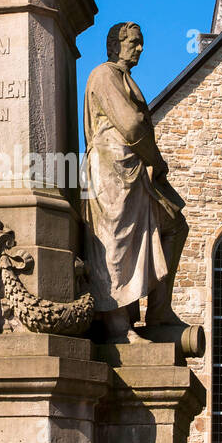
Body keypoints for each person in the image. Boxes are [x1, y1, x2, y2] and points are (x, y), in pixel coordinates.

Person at [82, 23, 188, 342]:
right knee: (114, 241)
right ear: (115, 44)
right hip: (110, 169)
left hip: (132, 169)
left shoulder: (123, 77)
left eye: (141, 43)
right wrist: (156, 159)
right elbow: (131, 125)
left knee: (174, 225)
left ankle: (158, 311)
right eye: (134, 42)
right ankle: (117, 326)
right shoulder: (104, 74)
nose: (140, 48)